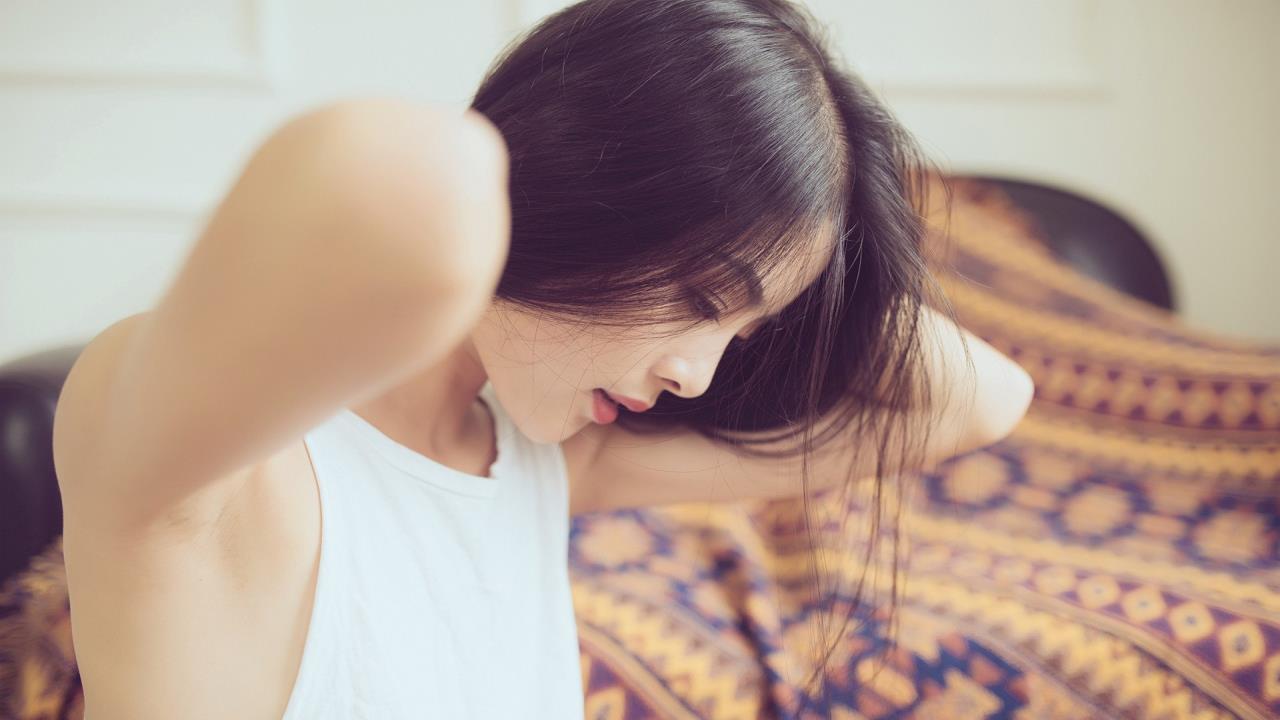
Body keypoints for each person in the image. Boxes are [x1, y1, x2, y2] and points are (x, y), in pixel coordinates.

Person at [50, 0, 1034, 717]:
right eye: (701, 299)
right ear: (583, 195)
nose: (697, 376)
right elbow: (410, 177)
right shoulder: (205, 470)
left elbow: (980, 401)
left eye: (740, 335)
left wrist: (818, 196)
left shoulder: (541, 464)